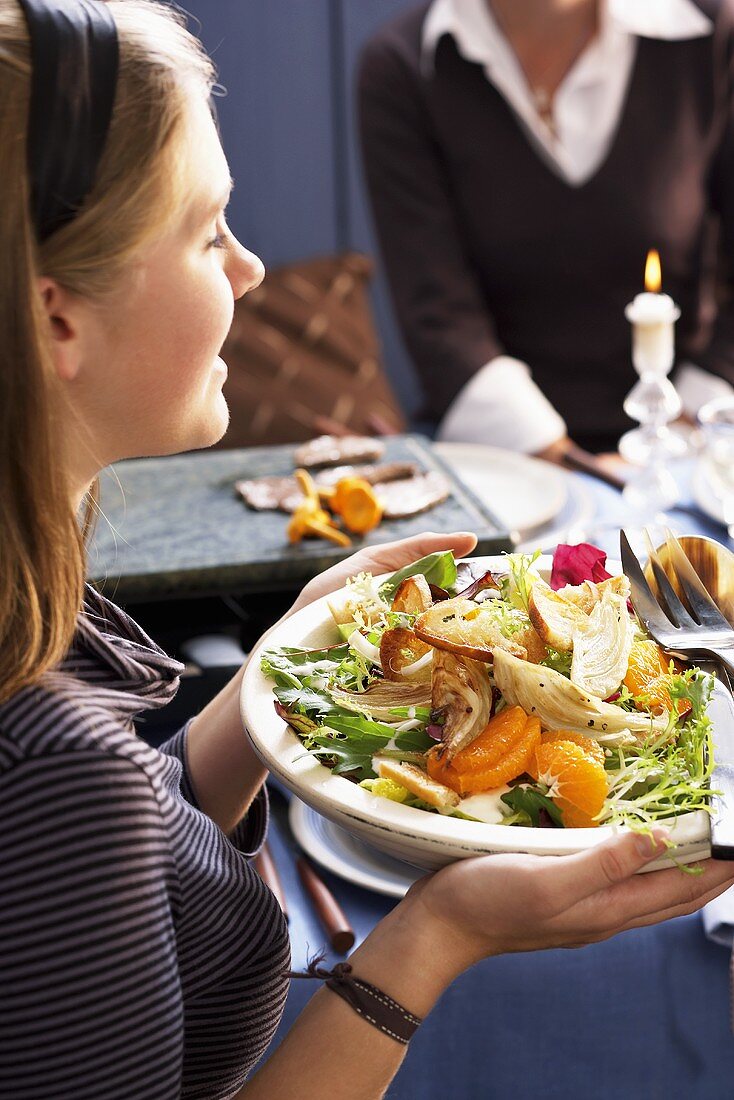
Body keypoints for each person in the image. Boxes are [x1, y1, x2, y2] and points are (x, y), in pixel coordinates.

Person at [1, 2, 733, 1098]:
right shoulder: (62, 766)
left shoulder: (47, 625)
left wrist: (276, 676)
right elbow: (82, 804)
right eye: (209, 232)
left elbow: (126, 856)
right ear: (57, 319)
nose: (252, 270)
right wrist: (432, 937)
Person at [358, 0, 734, 456]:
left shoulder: (711, 34)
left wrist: (679, 436)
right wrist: (572, 466)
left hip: (688, 441)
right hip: (509, 457)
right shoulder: (403, 66)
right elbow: (439, 318)